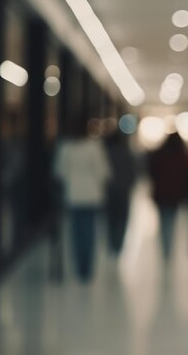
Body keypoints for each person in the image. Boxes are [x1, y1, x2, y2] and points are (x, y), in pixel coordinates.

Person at [54, 119, 111, 283]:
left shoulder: (66, 148)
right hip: (92, 194)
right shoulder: (94, 147)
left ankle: (79, 267)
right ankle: (87, 268)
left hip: (73, 194)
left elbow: (59, 173)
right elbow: (102, 172)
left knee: (76, 232)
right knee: (89, 232)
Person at [148, 133, 188, 264]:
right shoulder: (183, 157)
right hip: (175, 195)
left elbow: (152, 172)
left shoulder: (159, 155)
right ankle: (169, 247)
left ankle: (165, 249)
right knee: (172, 221)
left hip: (161, 195)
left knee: (163, 222)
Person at [104, 130, 137, 255]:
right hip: (123, 190)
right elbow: (132, 172)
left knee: (111, 219)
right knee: (122, 219)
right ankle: (119, 244)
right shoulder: (126, 153)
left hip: (110, 191)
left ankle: (112, 243)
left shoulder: (106, 153)